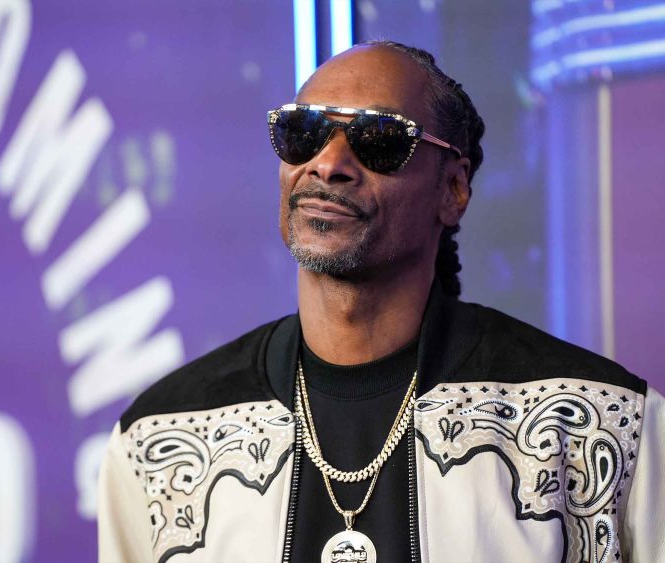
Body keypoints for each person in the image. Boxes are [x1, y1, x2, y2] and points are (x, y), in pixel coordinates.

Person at [97, 41, 664, 563]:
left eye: (379, 139)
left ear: (453, 189)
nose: (328, 164)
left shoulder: (607, 425)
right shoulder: (159, 438)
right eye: (303, 132)